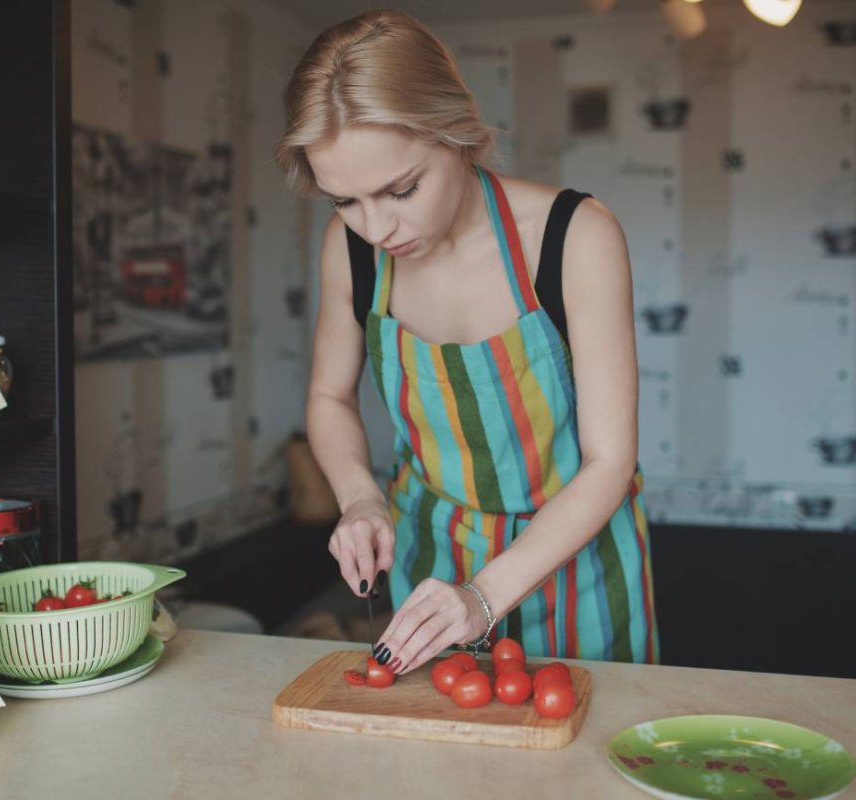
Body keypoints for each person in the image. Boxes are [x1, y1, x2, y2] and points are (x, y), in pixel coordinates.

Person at [275, 10, 658, 676]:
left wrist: (484, 596)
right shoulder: (353, 252)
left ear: (456, 134)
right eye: (344, 201)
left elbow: (609, 462)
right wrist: (361, 498)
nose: (376, 228)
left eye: (401, 189)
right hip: (429, 562)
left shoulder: (576, 237)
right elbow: (328, 395)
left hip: (579, 564)